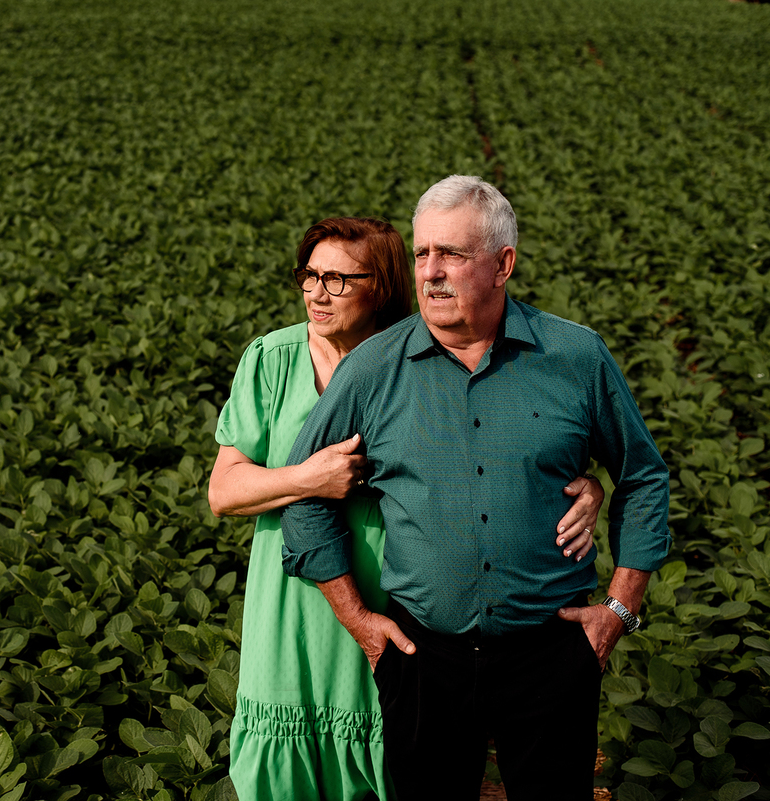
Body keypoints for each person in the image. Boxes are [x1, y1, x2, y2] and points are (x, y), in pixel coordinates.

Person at [280, 177, 671, 801]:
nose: (430, 272)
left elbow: (643, 475)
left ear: (503, 265)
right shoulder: (373, 369)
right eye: (422, 254)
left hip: (553, 650)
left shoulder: (576, 357)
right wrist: (359, 621)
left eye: (452, 255)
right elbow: (304, 495)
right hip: (420, 655)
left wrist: (620, 610)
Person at [209, 216, 605, 801]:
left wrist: (585, 486)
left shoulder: (418, 355)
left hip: (394, 586)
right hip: (297, 586)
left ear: (383, 286)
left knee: (393, 758)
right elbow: (223, 492)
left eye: (340, 280)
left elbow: (494, 450)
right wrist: (310, 478)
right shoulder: (271, 359)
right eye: (310, 276)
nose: (318, 293)